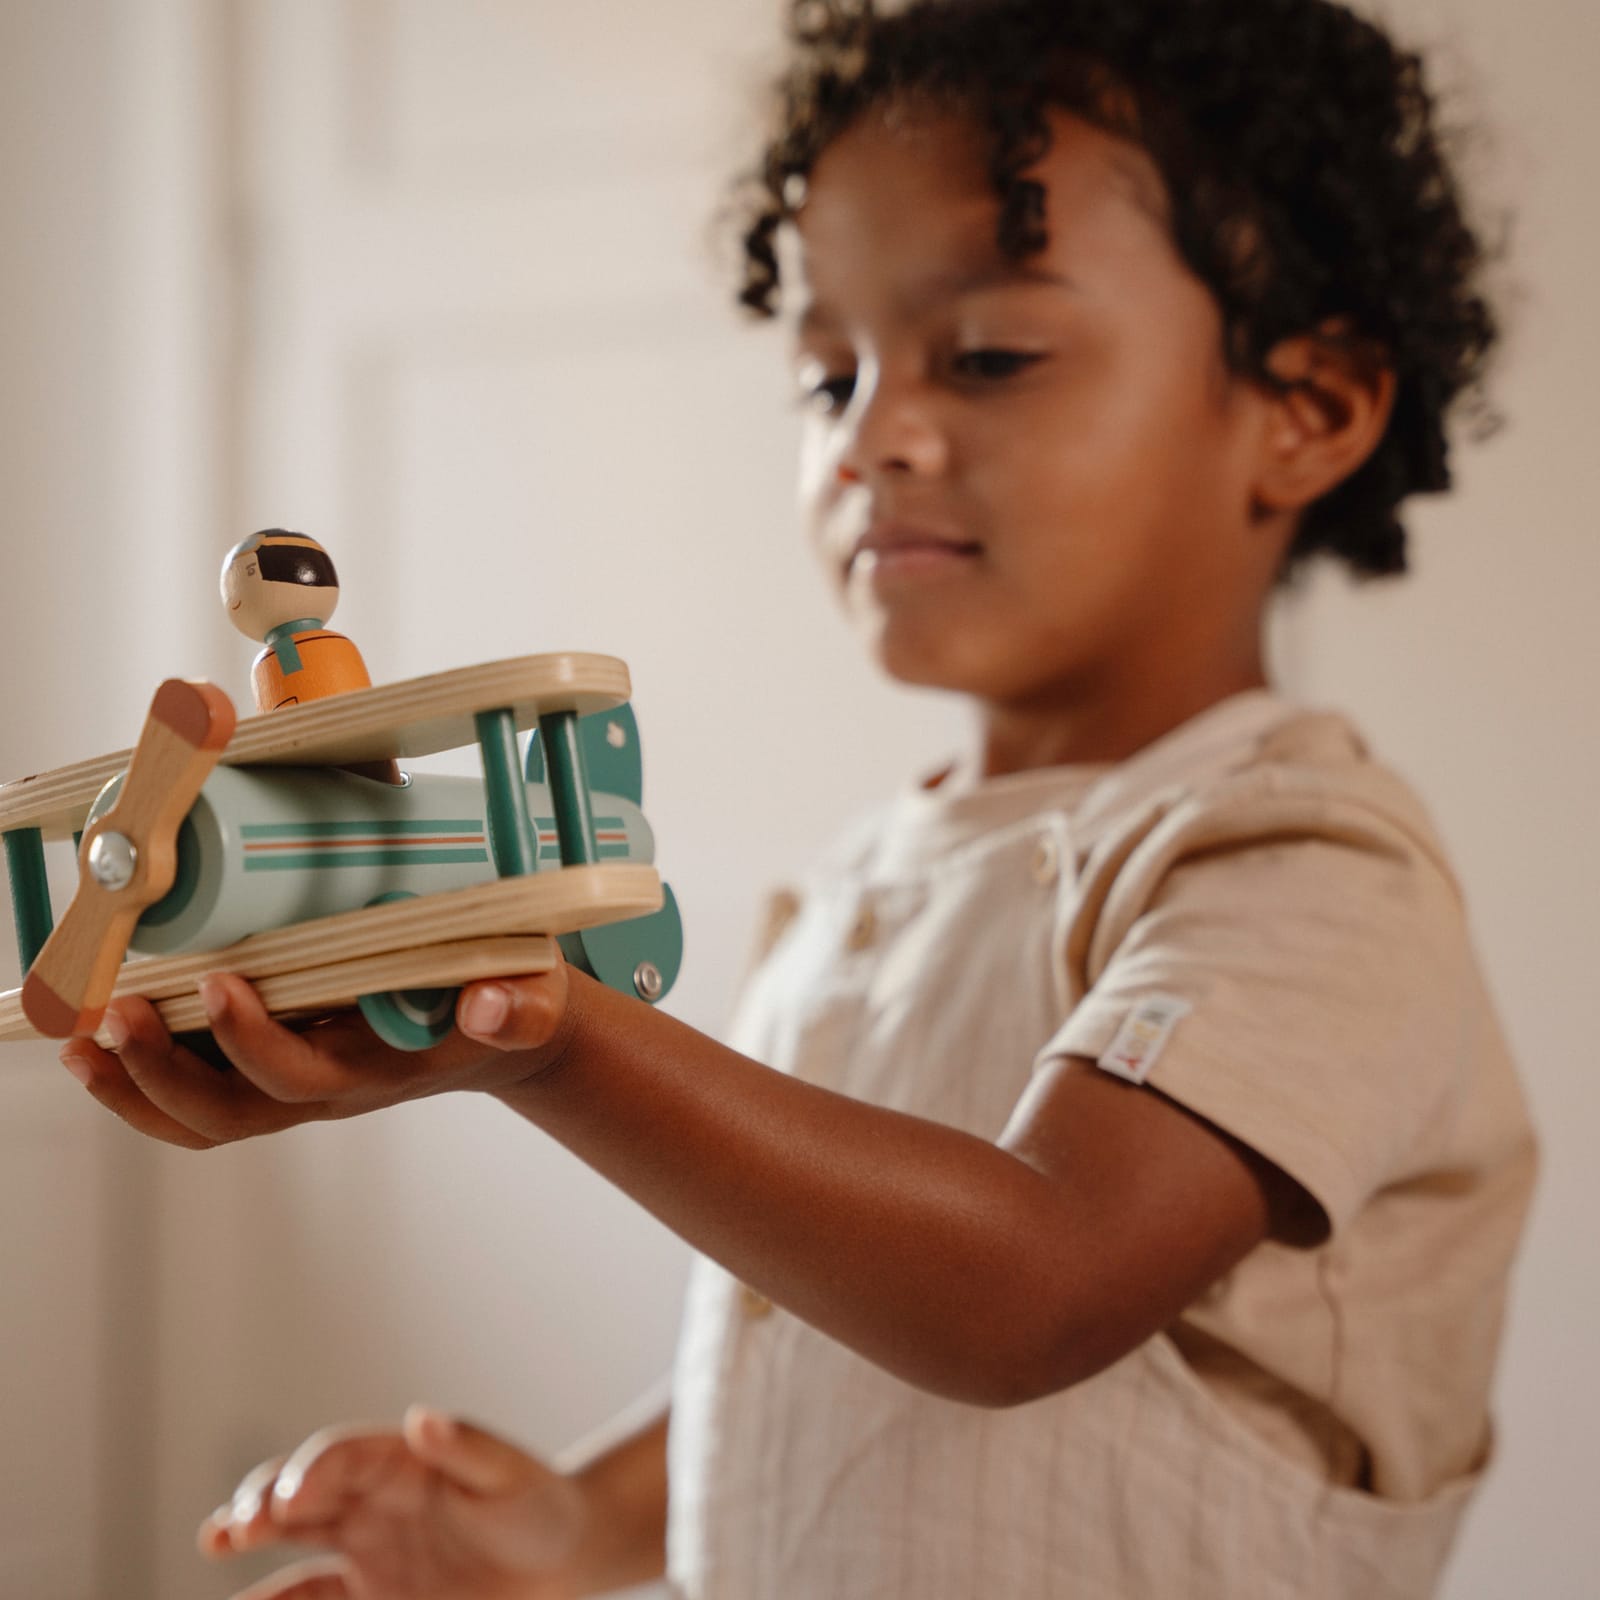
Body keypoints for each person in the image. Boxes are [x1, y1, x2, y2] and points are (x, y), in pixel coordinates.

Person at [58, 0, 1537, 1595]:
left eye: (987, 356)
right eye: (830, 376)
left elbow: (1023, 1288)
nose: (878, 435)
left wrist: (546, 1036)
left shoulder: (1311, 873)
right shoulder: (871, 880)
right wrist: (569, 1526)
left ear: (1306, 411)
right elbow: (843, 1337)